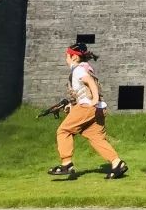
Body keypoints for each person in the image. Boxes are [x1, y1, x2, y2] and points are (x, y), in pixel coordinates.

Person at [49, 42, 128, 179]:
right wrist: (72, 105)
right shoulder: (86, 68)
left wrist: (94, 99)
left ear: (74, 57)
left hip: (88, 107)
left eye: (67, 56)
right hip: (98, 109)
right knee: (96, 138)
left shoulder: (78, 70)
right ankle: (117, 163)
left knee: (64, 131)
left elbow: (90, 83)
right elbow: (83, 91)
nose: (65, 58)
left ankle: (66, 163)